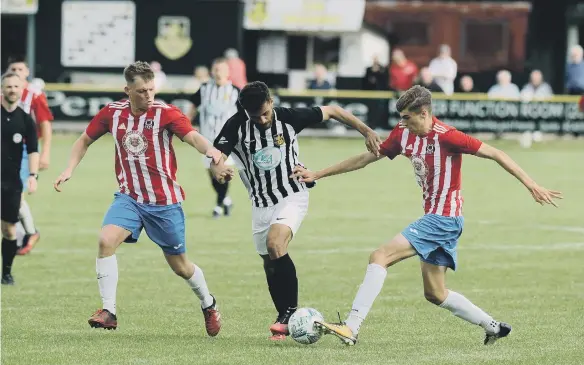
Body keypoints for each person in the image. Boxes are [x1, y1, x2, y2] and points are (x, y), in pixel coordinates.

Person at [292, 85, 562, 346]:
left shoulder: (448, 136)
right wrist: (318, 174)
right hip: (439, 218)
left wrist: (532, 185)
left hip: (443, 219)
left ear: (424, 113)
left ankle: (351, 327)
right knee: (435, 293)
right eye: (401, 118)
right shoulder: (403, 133)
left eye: (407, 117)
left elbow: (496, 152)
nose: (403, 123)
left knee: (380, 256)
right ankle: (493, 326)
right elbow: (366, 158)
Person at [53, 61, 223, 335]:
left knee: (181, 266)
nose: (148, 96)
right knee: (105, 240)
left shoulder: (166, 113)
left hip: (164, 203)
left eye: (151, 89)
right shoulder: (112, 113)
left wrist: (213, 153)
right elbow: (84, 140)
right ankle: (109, 311)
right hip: (129, 197)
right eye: (142, 91)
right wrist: (69, 169)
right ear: (128, 90)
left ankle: (208, 302)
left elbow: (193, 138)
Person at [209, 81, 381, 340]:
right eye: (256, 116)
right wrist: (218, 170)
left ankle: (291, 312)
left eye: (266, 112)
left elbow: (333, 110)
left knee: (275, 244)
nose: (263, 119)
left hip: (292, 193)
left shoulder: (289, 118)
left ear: (271, 102)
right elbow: (215, 156)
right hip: (260, 202)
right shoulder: (236, 125)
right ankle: (283, 318)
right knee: (270, 262)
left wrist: (366, 131)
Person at [7, 57, 54, 255]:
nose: (17, 71)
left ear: (27, 73)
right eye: (13, 68)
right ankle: (21, 235)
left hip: (25, 151)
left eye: (21, 68)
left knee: (15, 194)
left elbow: (45, 124)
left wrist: (45, 153)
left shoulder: (34, 95)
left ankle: (26, 234)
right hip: (4, 150)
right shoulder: (4, 93)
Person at [1, 73, 39, 285]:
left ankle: (6, 273)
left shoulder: (25, 119)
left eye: (16, 86)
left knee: (9, 230)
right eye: (8, 86)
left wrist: (33, 176)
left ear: (21, 89)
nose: (12, 90)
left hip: (12, 183)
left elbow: (33, 150)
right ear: (2, 89)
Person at [189, 58, 239, 217]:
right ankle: (226, 200)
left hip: (227, 140)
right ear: (212, 71)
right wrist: (186, 124)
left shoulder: (235, 91)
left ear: (227, 72)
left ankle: (218, 206)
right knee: (211, 172)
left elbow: (243, 115)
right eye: (216, 69)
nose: (218, 73)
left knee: (222, 170)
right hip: (207, 139)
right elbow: (193, 107)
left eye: (221, 70)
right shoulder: (204, 89)